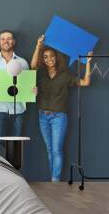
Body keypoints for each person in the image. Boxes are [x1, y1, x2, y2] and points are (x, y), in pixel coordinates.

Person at [31, 35, 92, 182]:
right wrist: (38, 45)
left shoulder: (65, 76)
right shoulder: (41, 75)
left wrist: (88, 63)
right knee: (49, 150)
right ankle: (54, 180)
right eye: (45, 57)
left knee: (57, 149)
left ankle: (55, 181)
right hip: (43, 116)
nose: (49, 59)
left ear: (57, 58)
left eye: (51, 56)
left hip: (59, 117)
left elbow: (85, 82)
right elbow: (33, 65)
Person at [0, 30, 34, 154]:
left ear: (13, 42)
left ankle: (13, 167)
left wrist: (32, 90)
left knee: (17, 142)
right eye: (3, 39)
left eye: (9, 38)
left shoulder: (23, 62)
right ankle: (8, 152)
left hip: (18, 109)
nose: (6, 41)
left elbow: (27, 84)